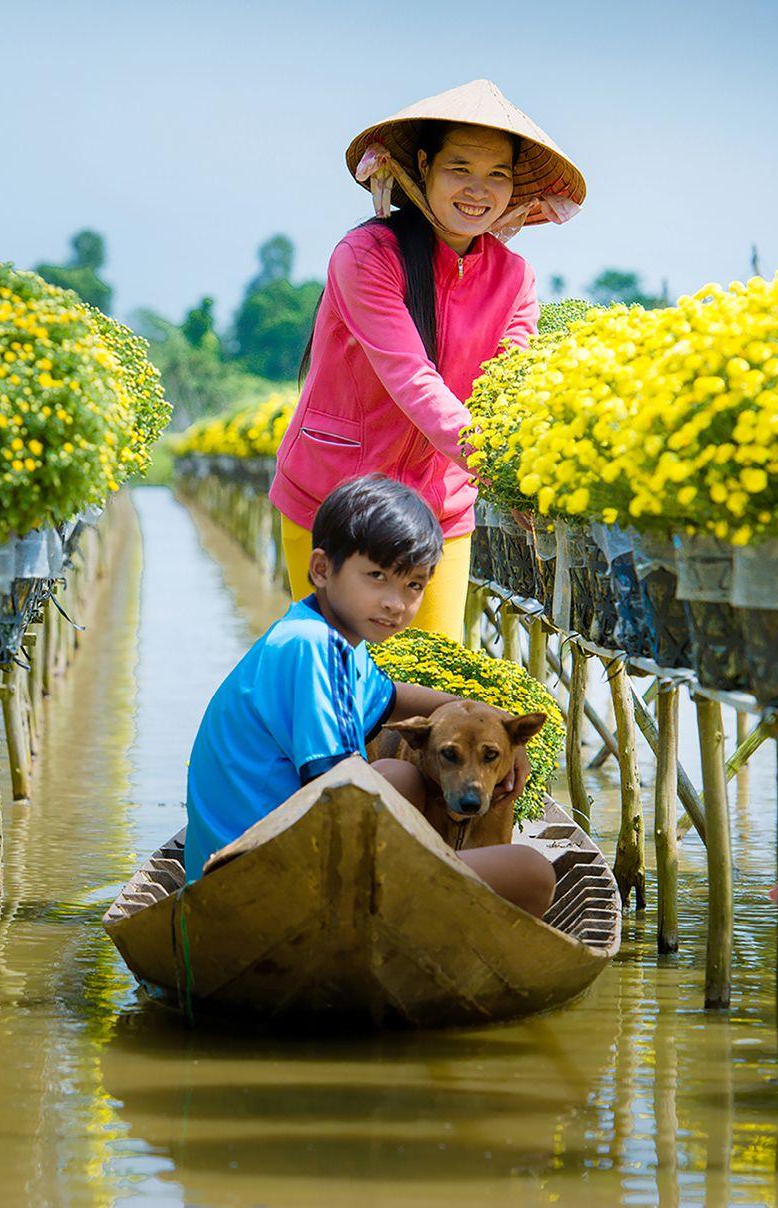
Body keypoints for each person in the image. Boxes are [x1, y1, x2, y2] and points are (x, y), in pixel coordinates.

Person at [269, 79, 587, 641]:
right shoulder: (367, 255)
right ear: (423, 166)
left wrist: (520, 475)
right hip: (334, 498)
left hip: (438, 509)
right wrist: (496, 467)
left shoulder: (515, 279)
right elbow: (412, 379)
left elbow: (507, 391)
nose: (478, 189)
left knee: (431, 692)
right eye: (459, 167)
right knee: (334, 682)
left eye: (497, 174)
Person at [183, 473, 556, 915]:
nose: (395, 603)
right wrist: (430, 861)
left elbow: (392, 697)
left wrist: (503, 727)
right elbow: (340, 789)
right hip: (262, 881)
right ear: (321, 569)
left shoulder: (320, 635)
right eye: (376, 576)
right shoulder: (313, 648)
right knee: (532, 872)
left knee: (403, 777)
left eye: (413, 585)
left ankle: (416, 887)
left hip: (253, 863)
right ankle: (416, 901)